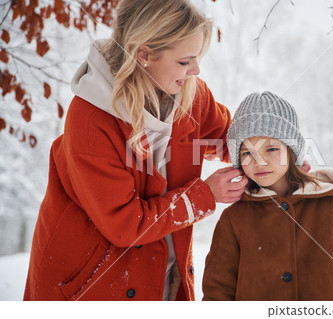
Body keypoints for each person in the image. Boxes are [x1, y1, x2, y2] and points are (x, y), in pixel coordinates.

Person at [23, 0, 249, 301]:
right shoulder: (91, 118)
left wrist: (281, 158)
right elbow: (125, 224)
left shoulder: (190, 95)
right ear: (144, 54)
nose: (196, 69)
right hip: (92, 285)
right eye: (185, 61)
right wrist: (204, 196)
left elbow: (230, 138)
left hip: (163, 274)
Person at [202, 91, 333, 301]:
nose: (259, 161)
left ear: (292, 151)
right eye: (247, 153)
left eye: (271, 148)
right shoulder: (234, 219)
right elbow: (217, 295)